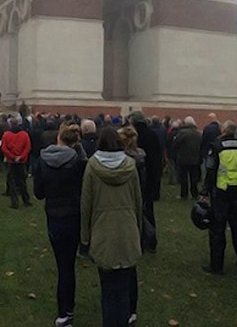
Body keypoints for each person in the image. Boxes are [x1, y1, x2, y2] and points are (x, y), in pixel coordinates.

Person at [80, 126, 143, 327]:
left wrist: (85, 237)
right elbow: (138, 202)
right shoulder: (131, 166)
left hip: (102, 232)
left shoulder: (91, 166)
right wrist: (138, 231)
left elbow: (86, 204)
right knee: (123, 290)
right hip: (127, 231)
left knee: (108, 290)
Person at [33, 124, 87, 327]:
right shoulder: (77, 162)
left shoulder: (42, 160)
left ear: (59, 139)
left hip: (54, 217)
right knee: (68, 265)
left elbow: (39, 193)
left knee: (62, 265)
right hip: (73, 216)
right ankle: (67, 310)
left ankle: (64, 311)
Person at [201, 120, 237, 274]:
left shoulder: (216, 146)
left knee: (217, 229)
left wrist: (204, 191)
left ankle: (216, 265)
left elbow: (211, 170)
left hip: (220, 191)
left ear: (223, 130)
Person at [128, 111, 160, 252]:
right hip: (151, 180)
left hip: (138, 179)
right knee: (148, 212)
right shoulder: (152, 135)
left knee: (137, 212)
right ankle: (151, 241)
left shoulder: (135, 137)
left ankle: (140, 241)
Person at [2, 117, 32, 209]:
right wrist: (21, 157)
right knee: (22, 181)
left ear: (10, 124)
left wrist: (12, 157)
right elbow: (28, 147)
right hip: (21, 161)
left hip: (11, 161)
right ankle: (26, 200)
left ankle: (14, 202)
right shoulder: (24, 134)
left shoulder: (6, 134)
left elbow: (4, 148)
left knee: (12, 182)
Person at [173, 116, 201, 200]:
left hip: (183, 159)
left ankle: (184, 194)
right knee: (194, 178)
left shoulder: (182, 133)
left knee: (184, 178)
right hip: (195, 159)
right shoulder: (198, 133)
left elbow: (175, 144)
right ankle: (194, 194)